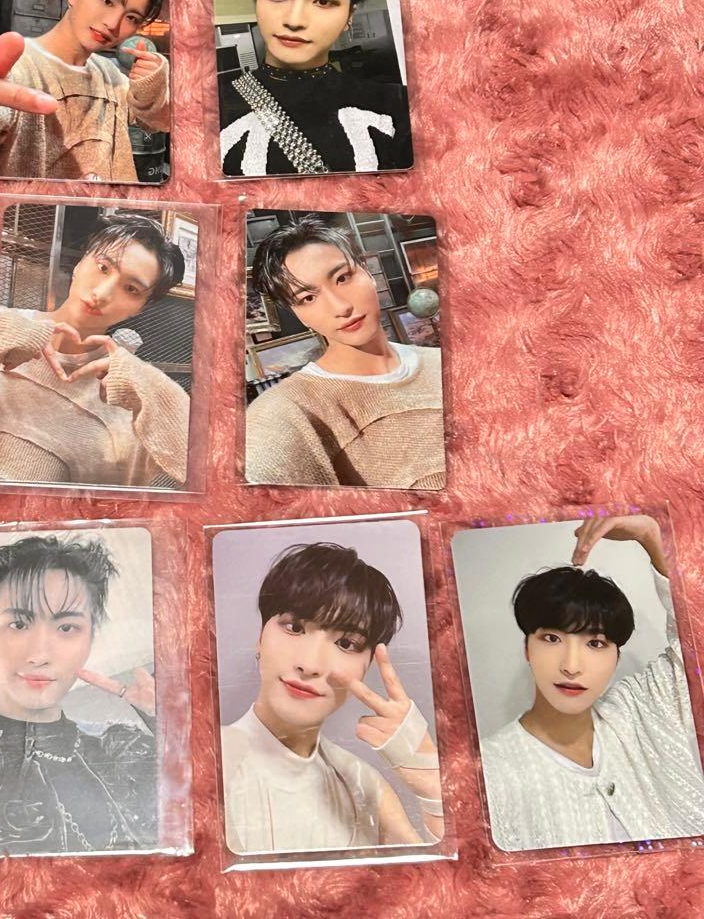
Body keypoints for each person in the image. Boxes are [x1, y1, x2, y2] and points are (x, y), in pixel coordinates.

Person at [479, 515, 704, 851]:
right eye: (552, 639)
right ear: (527, 649)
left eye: (596, 643)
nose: (571, 666)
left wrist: (652, 535)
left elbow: (695, 646)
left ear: (616, 656)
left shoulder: (637, 710)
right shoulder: (489, 770)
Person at [220, 541, 442, 854]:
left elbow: (445, 881)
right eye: (295, 627)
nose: (310, 664)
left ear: (367, 666)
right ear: (260, 639)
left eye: (346, 644)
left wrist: (432, 783)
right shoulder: (207, 761)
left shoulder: (364, 785)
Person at [0, 534, 157, 856]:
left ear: (89, 642)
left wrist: (171, 725)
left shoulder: (120, 746)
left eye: (67, 628)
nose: (39, 655)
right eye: (18, 624)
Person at [0, 212, 189, 487]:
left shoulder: (122, 392)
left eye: (131, 289)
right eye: (103, 267)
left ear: (141, 308)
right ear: (80, 263)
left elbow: (198, 471)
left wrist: (155, 391)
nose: (102, 294)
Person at [244, 216, 444, 488]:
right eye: (308, 298)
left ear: (368, 272)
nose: (341, 307)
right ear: (298, 314)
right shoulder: (291, 409)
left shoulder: (441, 363)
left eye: (342, 278)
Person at [217, 0, 412, 177]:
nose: (294, 20)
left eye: (323, 1)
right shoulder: (209, 108)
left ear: (349, 16)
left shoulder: (399, 106)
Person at [0, 0, 169, 183]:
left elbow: (158, 122)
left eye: (131, 18)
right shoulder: (18, 66)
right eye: (107, 1)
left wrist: (152, 84)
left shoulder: (109, 74)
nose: (112, 24)